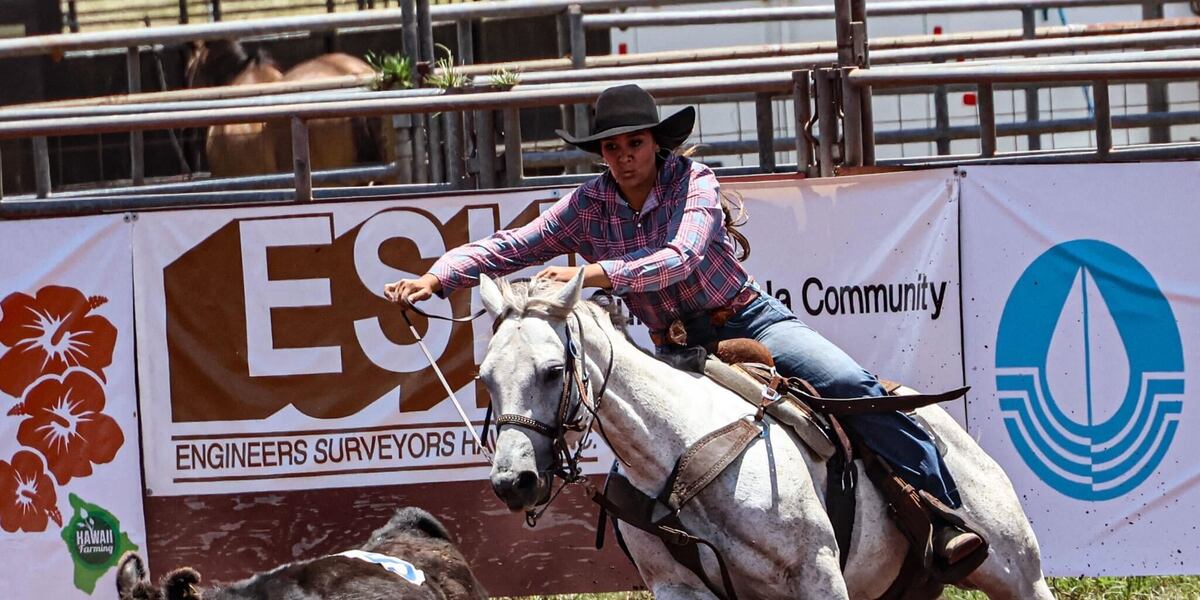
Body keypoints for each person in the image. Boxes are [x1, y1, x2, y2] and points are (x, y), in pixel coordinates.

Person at [384, 84, 981, 564]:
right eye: (612, 148)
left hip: (747, 321)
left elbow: (683, 257)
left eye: (634, 144)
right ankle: (683, 566)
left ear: (656, 144)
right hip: (672, 349)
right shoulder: (589, 203)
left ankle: (937, 509)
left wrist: (595, 275)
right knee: (638, 457)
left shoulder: (693, 182)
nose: (623, 157)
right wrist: (435, 278)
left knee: (850, 386)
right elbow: (514, 245)